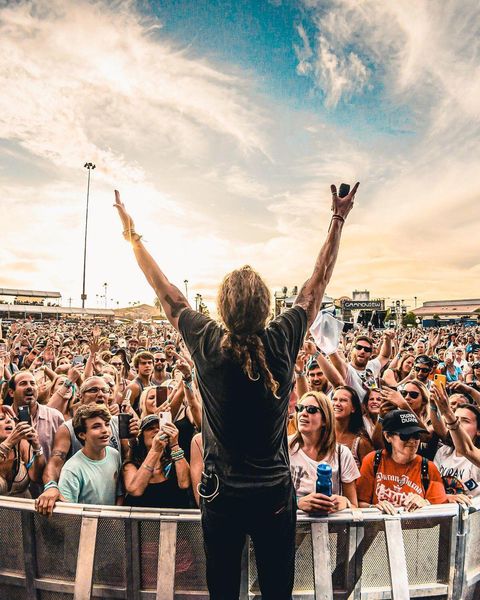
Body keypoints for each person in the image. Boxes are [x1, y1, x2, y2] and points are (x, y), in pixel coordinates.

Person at [113, 181, 359, 600]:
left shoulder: (207, 341)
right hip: (272, 493)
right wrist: (337, 218)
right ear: (266, 308)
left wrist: (133, 236)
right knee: (277, 589)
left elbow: (166, 292)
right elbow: (317, 284)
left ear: (223, 309)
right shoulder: (282, 338)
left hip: (221, 493)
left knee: (223, 588)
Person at [356, 409, 447, 514]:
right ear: (387, 436)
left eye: (417, 435)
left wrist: (425, 503)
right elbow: (359, 502)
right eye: (405, 435)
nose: (413, 441)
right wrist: (375, 508)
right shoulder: (373, 460)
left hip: (415, 529)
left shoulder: (429, 468)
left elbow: (441, 509)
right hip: (380, 528)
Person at [289, 392, 359, 513]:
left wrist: (345, 503)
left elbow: (354, 505)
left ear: (325, 420)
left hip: (329, 528)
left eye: (311, 410)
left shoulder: (341, 453)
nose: (303, 413)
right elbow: (270, 498)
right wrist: (297, 502)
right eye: (299, 408)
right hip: (292, 527)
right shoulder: (284, 447)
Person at [58, 403, 123, 506]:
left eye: (107, 424)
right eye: (96, 427)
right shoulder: (72, 469)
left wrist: (115, 520)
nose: (105, 430)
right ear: (82, 435)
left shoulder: (114, 454)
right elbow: (67, 512)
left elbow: (119, 494)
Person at [123, 414, 190, 508]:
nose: (157, 430)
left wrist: (174, 444)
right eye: (150, 428)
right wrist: (155, 451)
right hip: (143, 520)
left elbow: (185, 484)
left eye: (160, 427)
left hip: (171, 520)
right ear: (142, 437)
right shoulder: (132, 464)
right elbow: (135, 490)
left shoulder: (175, 461)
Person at [0, 405, 45, 497]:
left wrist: (37, 447)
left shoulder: (22, 444)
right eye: (1, 418)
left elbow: (36, 477)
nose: (9, 420)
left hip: (22, 508)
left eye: (12, 418)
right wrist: (7, 444)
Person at [332, 385, 374, 467]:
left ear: (353, 408)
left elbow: (369, 476)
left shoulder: (361, 442)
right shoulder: (323, 433)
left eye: (343, 400)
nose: (337, 404)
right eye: (334, 399)